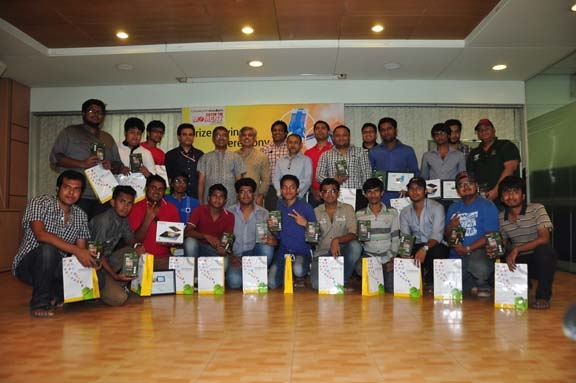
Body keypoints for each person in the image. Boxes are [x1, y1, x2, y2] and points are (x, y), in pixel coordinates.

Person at [12, 170, 97, 318]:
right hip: (28, 265)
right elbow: (41, 235)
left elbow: (81, 250)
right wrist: (76, 251)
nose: (71, 193)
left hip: (57, 266)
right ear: (57, 189)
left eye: (76, 189)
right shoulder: (39, 203)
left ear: (81, 193)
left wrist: (89, 261)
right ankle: (40, 303)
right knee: (48, 250)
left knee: (98, 279)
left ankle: (56, 294)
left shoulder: (81, 215)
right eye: (67, 187)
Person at [49, 99, 123, 219]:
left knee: (99, 235)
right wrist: (82, 163)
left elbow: (119, 165)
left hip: (103, 196)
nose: (96, 114)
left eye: (100, 112)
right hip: (76, 195)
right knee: (74, 232)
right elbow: (55, 158)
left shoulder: (107, 138)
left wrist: (112, 166)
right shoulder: (70, 132)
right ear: (83, 113)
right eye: (91, 111)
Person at [498, 176, 557, 310]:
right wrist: (494, 249)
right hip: (517, 260)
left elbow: (545, 238)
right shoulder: (501, 216)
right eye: (506, 192)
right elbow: (503, 243)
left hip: (538, 258)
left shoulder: (537, 209)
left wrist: (516, 249)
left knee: (545, 250)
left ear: (523, 195)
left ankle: (542, 297)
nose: (511, 196)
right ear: (501, 198)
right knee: (494, 270)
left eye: (515, 192)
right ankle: (524, 283)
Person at [445, 171, 499, 297]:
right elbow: (447, 235)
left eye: (469, 183)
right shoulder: (453, 207)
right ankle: (471, 283)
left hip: (479, 252)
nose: (466, 187)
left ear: (476, 186)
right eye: (461, 185)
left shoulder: (487, 205)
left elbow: (490, 235)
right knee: (450, 287)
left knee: (479, 265)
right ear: (457, 190)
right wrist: (450, 226)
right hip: (456, 254)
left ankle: (482, 283)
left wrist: (467, 248)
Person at [89, 185, 145, 306]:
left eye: (130, 203)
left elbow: (130, 238)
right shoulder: (103, 222)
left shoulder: (123, 218)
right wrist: (115, 275)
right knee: (120, 299)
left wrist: (137, 246)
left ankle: (119, 283)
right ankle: (97, 290)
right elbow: (96, 255)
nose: (126, 207)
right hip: (93, 266)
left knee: (133, 251)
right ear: (113, 202)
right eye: (122, 201)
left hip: (107, 260)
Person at [310, 178, 362, 291]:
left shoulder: (348, 208)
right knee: (316, 284)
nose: (330, 194)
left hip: (342, 252)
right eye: (326, 191)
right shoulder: (315, 212)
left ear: (338, 193)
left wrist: (337, 240)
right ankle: (336, 280)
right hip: (322, 253)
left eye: (333, 191)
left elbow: (353, 234)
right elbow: (311, 238)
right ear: (321, 194)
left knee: (355, 246)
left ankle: (343, 280)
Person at [399, 177, 449, 289]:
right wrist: (405, 254)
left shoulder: (437, 207)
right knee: (402, 254)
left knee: (439, 251)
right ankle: (417, 279)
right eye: (411, 189)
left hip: (434, 245)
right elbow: (406, 237)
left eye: (419, 188)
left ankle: (431, 278)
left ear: (425, 191)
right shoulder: (404, 212)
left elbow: (437, 235)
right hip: (416, 245)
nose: (415, 191)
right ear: (408, 192)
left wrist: (425, 248)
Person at [226, 178, 277, 289]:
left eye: (249, 192)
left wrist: (273, 240)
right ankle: (251, 276)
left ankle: (257, 272)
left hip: (254, 255)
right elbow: (224, 236)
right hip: (236, 256)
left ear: (254, 194)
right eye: (242, 192)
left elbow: (268, 238)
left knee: (267, 248)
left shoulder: (264, 213)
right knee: (235, 283)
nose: (245, 195)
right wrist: (231, 256)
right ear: (237, 195)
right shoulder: (229, 212)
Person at [268, 175, 317, 289]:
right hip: (283, 252)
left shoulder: (306, 207)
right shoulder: (279, 207)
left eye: (292, 187)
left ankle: (301, 273)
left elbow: (316, 235)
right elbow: (278, 235)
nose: (288, 191)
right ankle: (287, 271)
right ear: (280, 190)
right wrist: (272, 229)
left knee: (299, 269)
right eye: (285, 187)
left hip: (302, 251)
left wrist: (305, 223)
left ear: (298, 190)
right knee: (272, 283)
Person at [355, 178, 400, 293]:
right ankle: (376, 274)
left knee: (391, 289)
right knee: (371, 289)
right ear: (365, 194)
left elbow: (395, 238)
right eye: (369, 192)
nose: (373, 195)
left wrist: (392, 258)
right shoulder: (359, 214)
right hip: (369, 256)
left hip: (388, 257)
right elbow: (360, 241)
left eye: (376, 191)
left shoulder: (392, 212)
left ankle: (383, 273)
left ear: (382, 193)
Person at [128, 175, 180, 270]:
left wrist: (169, 242)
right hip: (141, 258)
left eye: (160, 189)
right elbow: (136, 239)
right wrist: (147, 219)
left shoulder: (171, 209)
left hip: (164, 258)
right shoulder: (136, 207)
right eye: (153, 188)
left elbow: (175, 238)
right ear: (146, 189)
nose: (156, 191)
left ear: (164, 192)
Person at [316, 125, 372, 209]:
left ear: (349, 137)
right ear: (333, 137)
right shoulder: (326, 155)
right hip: (333, 195)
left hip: (357, 196)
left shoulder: (360, 152)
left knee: (356, 221)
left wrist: (365, 194)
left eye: (344, 135)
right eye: (338, 136)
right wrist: (333, 181)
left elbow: (367, 174)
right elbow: (319, 175)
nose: (341, 138)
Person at [467, 118, 521, 203]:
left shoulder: (506, 146)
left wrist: (496, 191)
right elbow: (470, 176)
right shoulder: (474, 152)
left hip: (506, 197)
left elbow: (510, 168)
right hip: (481, 199)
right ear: (477, 134)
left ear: (494, 130)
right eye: (480, 130)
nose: (483, 131)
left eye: (487, 128)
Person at [369, 117, 419, 207]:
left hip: (403, 197)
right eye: (383, 130)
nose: (386, 132)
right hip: (380, 199)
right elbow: (370, 175)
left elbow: (415, 174)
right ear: (380, 133)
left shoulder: (408, 151)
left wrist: (410, 190)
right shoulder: (373, 152)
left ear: (396, 130)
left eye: (389, 129)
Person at [184, 183, 234, 264]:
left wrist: (223, 249)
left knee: (224, 263)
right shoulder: (199, 210)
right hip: (198, 246)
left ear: (225, 201)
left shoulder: (230, 216)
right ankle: (194, 275)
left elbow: (227, 240)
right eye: (214, 196)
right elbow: (187, 232)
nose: (217, 199)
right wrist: (206, 236)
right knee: (189, 242)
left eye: (221, 197)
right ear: (208, 198)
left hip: (214, 249)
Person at [197, 126, 246, 207]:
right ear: (213, 139)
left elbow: (239, 182)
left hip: (231, 202)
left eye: (224, 135)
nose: (221, 138)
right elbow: (201, 182)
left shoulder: (236, 157)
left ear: (228, 138)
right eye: (218, 135)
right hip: (209, 203)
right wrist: (200, 202)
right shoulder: (205, 158)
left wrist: (239, 202)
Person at [165, 123, 204, 199]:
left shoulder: (200, 155)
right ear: (179, 137)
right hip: (176, 198)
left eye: (190, 135)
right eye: (184, 134)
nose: (188, 137)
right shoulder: (171, 155)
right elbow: (168, 178)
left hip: (195, 197)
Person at [236, 126, 270, 206]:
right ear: (240, 138)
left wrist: (261, 195)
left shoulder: (261, 156)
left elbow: (266, 179)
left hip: (255, 197)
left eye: (250, 135)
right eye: (244, 135)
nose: (246, 137)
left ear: (255, 138)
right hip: (236, 198)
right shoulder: (234, 156)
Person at [273, 133, 313, 200]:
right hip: (282, 197)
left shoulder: (306, 160)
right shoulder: (280, 161)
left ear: (301, 145)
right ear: (287, 144)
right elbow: (276, 179)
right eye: (290, 142)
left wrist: (295, 193)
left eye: (295, 143)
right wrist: (280, 193)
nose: (292, 145)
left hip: (299, 197)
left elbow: (307, 180)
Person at [261, 120, 289, 210]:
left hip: (287, 189)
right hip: (271, 190)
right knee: (272, 217)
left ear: (285, 133)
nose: (277, 132)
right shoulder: (264, 149)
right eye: (275, 130)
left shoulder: (291, 148)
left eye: (280, 130)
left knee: (288, 214)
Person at [304, 120, 333, 207]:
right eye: (317, 128)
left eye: (323, 128)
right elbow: (306, 175)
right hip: (314, 194)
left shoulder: (334, 150)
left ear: (328, 132)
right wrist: (313, 190)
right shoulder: (308, 153)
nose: (320, 130)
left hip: (331, 193)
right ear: (314, 132)